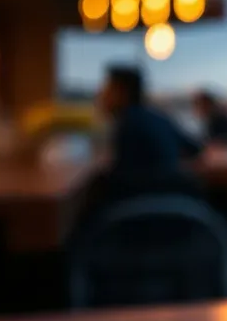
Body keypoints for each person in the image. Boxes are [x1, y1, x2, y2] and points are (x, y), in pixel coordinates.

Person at [85, 65, 203, 212]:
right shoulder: (158, 117)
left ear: (122, 93)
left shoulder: (127, 123)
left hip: (135, 214)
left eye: (107, 89)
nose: (101, 95)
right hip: (177, 208)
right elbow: (195, 149)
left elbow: (123, 178)